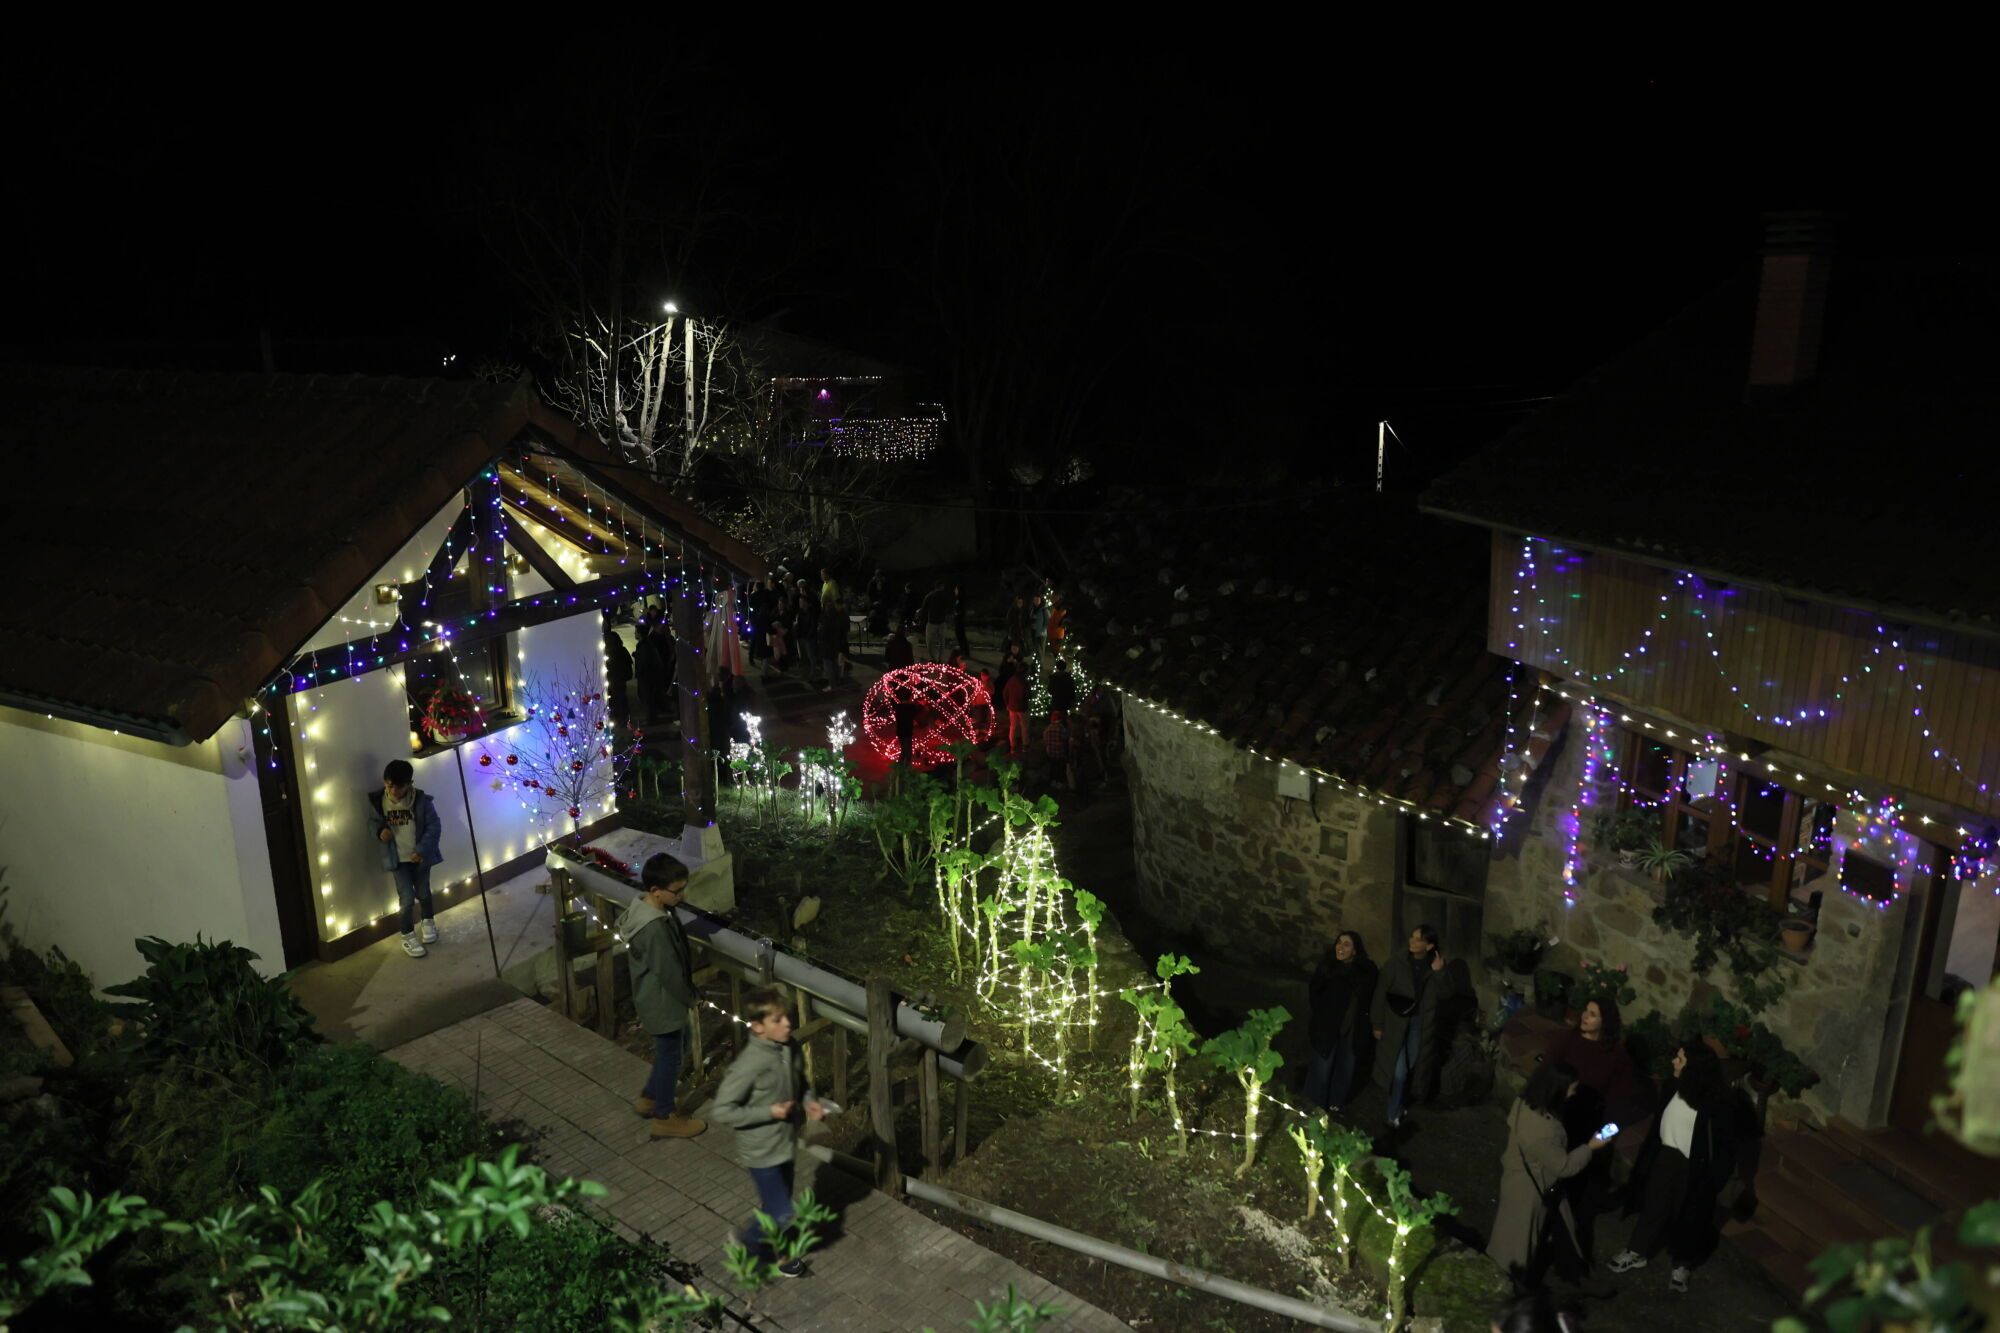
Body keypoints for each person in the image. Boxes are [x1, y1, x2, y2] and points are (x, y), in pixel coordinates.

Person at [1608, 1041, 1743, 1293]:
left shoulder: (1715, 1104)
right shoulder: (1672, 1086)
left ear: (1693, 1069)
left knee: (1689, 1214)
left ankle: (1682, 1263)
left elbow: (1725, 1146)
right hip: (1666, 1157)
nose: (1673, 1062)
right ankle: (1636, 1250)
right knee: (1654, 1205)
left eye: (1679, 1059)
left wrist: (1714, 1179)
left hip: (1695, 1167)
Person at [713, 986, 828, 1277]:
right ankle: (746, 1244)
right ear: (758, 1027)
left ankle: (769, 1251)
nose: (787, 1023)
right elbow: (722, 1110)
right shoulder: (749, 1066)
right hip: (760, 1152)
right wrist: (769, 1112)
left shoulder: (789, 1048)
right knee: (782, 1212)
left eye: (786, 1017)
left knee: (773, 1206)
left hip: (784, 1144)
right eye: (777, 1020)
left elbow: (799, 1081)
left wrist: (809, 1101)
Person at [1489, 1060, 1615, 1287]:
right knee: (1519, 1242)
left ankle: (1570, 1271)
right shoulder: (1543, 1130)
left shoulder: (1524, 1103)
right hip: (1532, 1190)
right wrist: (1591, 1147)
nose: (1573, 1094)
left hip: (1517, 1180)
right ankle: (1510, 1286)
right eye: (1571, 1088)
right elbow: (1564, 1166)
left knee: (1518, 1234)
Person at [1544, 995, 1646, 1262]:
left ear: (1605, 1023)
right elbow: (1547, 1075)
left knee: (1577, 1188)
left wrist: (1607, 1133)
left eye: (1592, 1014)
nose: (1585, 1017)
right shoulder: (1568, 1040)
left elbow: (1622, 1101)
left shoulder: (1615, 1055)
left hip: (1589, 1126)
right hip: (1561, 1120)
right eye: (1585, 1011)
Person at [616, 854, 706, 1139]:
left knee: (674, 1050)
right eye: (677, 891)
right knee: (672, 1057)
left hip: (657, 998)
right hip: (662, 1001)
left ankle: (649, 1098)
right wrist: (691, 996)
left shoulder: (648, 910)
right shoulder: (654, 928)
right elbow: (668, 971)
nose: (682, 895)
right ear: (656, 892)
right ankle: (665, 1116)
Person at [1371, 924, 1469, 1127]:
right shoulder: (1397, 962)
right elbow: (1380, 992)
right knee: (1400, 1071)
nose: (1412, 942)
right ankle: (1393, 1112)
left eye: (1418, 939)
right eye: (1412, 937)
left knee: (1411, 1064)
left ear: (1429, 945)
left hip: (1420, 1024)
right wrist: (1377, 1023)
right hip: (1397, 1021)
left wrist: (1440, 972)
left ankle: (1399, 1101)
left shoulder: (1436, 965)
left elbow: (1447, 994)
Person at [366, 760, 442, 958]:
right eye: (389, 785)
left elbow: (434, 828)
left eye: (398, 787)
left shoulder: (421, 801)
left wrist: (422, 849)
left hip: (420, 858)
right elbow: (372, 823)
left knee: (424, 892)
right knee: (406, 899)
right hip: (397, 861)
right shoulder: (379, 802)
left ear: (409, 784)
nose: (393, 791)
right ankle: (407, 934)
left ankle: (428, 921)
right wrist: (380, 831)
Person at [1306, 931, 1378, 1110]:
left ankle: (1334, 1103)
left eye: (1347, 944)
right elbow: (1314, 992)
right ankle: (1314, 1105)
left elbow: (1370, 999)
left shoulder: (1365, 972)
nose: (1341, 947)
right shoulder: (1327, 968)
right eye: (1339, 942)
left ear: (1355, 951)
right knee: (1321, 1068)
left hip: (1351, 1030)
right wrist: (1322, 1015)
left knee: (1345, 1068)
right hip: (1327, 1027)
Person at [604, 628, 634, 728]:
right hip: (620, 680)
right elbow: (628, 664)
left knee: (616, 701)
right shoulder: (622, 650)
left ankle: (619, 720)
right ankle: (624, 720)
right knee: (621, 700)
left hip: (614, 680)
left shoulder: (609, 653)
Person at [920, 580, 953, 661]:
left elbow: (924, 609)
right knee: (942, 641)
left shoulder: (929, 596)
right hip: (941, 622)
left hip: (932, 622)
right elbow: (950, 609)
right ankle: (940, 658)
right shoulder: (946, 596)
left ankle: (933, 658)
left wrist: (922, 619)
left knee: (930, 642)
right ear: (942, 587)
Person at [1002, 663, 1029, 757]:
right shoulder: (1024, 681)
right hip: (1022, 707)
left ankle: (1013, 746)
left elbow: (1005, 692)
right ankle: (1025, 745)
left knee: (1013, 726)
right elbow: (1028, 694)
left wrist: (1007, 704)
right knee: (1024, 726)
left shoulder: (1011, 680)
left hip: (1012, 707)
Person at [1043, 710, 1076, 789]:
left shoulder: (1048, 729)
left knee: (1053, 765)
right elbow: (1066, 739)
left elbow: (1045, 739)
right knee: (1061, 766)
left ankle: (1053, 781)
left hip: (1051, 753)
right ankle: (1060, 781)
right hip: (1060, 753)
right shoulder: (1062, 729)